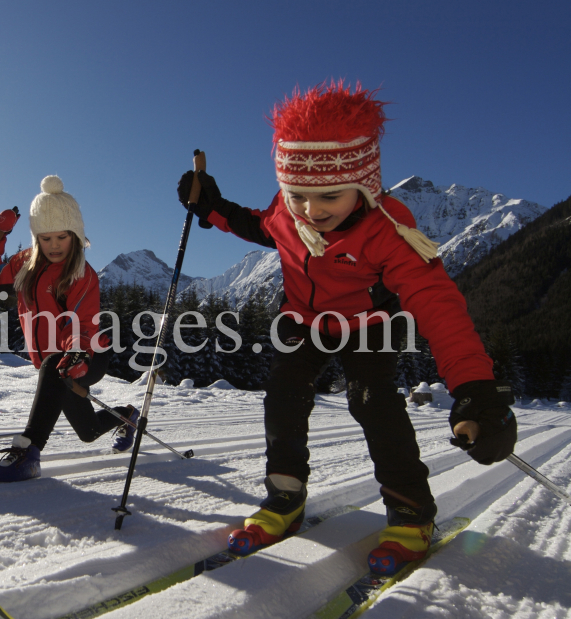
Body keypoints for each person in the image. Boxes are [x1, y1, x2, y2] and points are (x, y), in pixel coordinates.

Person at [176, 82, 517, 575]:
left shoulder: (388, 231)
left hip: (367, 324)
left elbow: (436, 303)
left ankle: (410, 513)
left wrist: (475, 389)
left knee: (372, 401)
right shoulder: (286, 213)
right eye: (297, 196)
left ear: (363, 186)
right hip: (300, 319)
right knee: (284, 395)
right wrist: (208, 206)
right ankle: (285, 497)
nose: (311, 211)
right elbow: (256, 224)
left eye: (329, 196)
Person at [0, 176, 138, 483]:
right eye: (45, 238)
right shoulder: (25, 263)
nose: (53, 246)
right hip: (53, 362)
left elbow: (84, 321)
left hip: (86, 354)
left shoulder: (82, 274)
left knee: (53, 365)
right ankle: (125, 415)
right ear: (36, 237)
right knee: (87, 431)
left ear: (75, 235)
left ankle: (28, 453)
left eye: (61, 237)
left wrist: (75, 352)